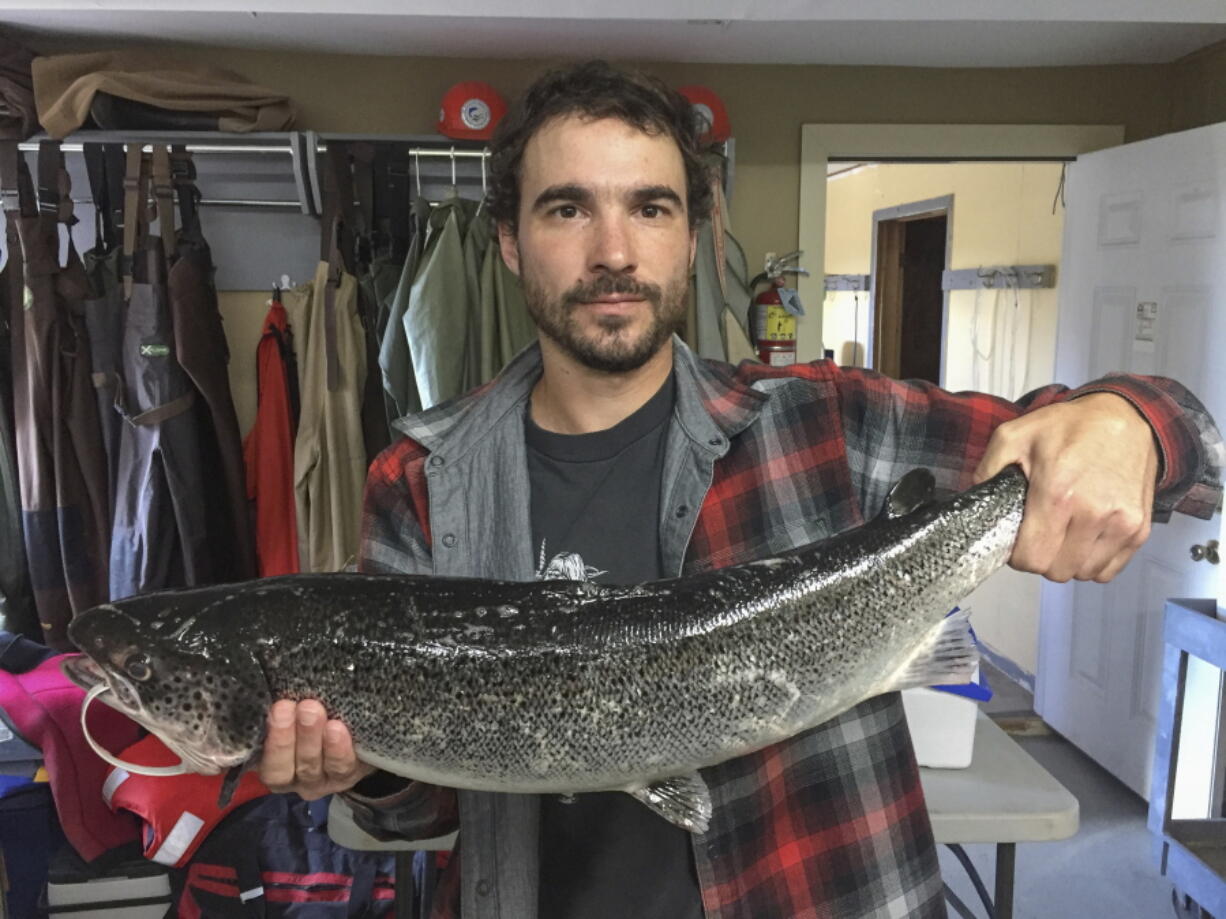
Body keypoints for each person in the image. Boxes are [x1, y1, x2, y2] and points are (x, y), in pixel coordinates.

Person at [258, 61, 1223, 918]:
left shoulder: (825, 423)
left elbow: (1187, 457)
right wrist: (365, 770)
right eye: (566, 209)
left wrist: (1131, 424)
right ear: (507, 240)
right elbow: (427, 801)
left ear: (694, 233)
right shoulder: (420, 483)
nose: (613, 252)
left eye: (651, 207)